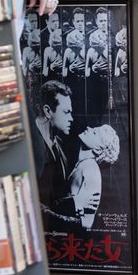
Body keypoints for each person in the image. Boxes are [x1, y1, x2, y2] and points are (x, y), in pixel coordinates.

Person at [56, 124, 120, 230]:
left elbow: (86, 222)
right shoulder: (83, 164)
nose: (88, 128)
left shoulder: (90, 168)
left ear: (98, 150)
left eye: (94, 132)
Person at [35, 80, 74, 214]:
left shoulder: (60, 144)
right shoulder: (31, 146)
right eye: (66, 112)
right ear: (48, 111)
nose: (71, 118)